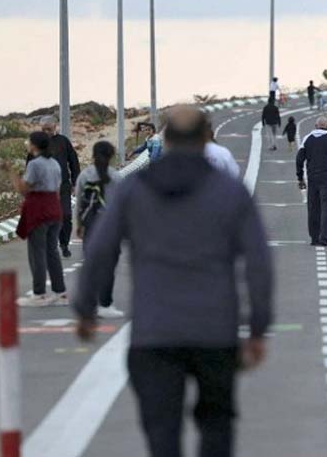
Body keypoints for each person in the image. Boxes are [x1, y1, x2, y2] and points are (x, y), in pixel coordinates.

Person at [73, 106, 273, 457]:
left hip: (153, 332)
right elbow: (258, 261)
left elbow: (101, 249)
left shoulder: (133, 190)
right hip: (215, 332)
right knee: (217, 423)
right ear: (205, 137)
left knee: (161, 429)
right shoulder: (229, 191)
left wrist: (85, 308)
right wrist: (258, 327)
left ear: (165, 138)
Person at [7, 132, 67, 307]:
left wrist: (11, 172)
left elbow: (24, 189)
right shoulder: (54, 163)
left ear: (34, 146)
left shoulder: (34, 164)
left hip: (39, 210)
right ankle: (60, 292)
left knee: (37, 253)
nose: (27, 143)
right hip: (54, 208)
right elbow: (57, 188)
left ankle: (39, 294)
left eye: (28, 141)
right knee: (52, 252)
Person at [75, 140, 124, 319]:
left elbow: (79, 202)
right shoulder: (117, 177)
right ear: (111, 156)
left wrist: (79, 225)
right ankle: (105, 304)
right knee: (109, 267)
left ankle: (89, 303)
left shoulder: (84, 175)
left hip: (90, 226)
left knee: (91, 265)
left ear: (93, 155)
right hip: (111, 228)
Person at [296, 117, 327, 246]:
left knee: (313, 207)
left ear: (315, 126)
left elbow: (299, 159)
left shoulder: (307, 138)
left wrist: (300, 177)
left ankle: (314, 237)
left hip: (312, 177)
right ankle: (324, 238)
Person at [36, 119, 80, 258]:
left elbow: (73, 161)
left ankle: (64, 243)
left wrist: (75, 182)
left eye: (49, 129)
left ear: (55, 127)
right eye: (44, 129)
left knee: (66, 215)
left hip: (63, 186)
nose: (47, 132)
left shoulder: (63, 141)